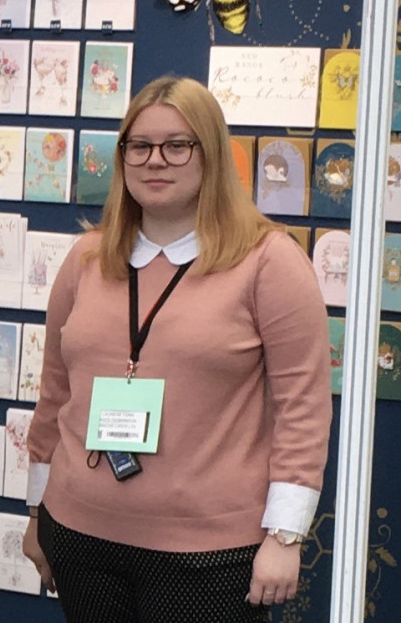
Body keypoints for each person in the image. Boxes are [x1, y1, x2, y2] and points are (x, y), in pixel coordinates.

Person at [22, 75, 332, 622]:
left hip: (208, 556)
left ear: (209, 153)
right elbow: (55, 393)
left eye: (176, 145)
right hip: (79, 537)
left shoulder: (269, 262)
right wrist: (35, 512)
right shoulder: (87, 259)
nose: (155, 160)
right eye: (139, 146)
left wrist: (285, 536)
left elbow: (302, 409)